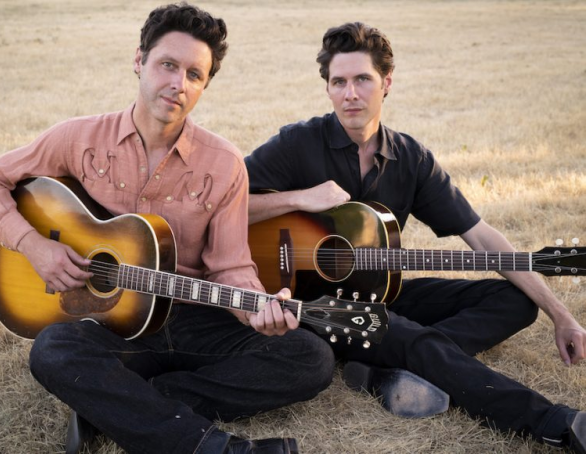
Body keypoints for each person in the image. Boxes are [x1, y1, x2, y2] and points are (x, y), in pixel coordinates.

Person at [0, 4, 335, 454]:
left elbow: (231, 267)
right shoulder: (78, 138)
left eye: (195, 75)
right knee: (53, 350)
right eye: (167, 65)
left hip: (196, 316)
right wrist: (34, 246)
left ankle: (119, 404)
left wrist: (257, 309)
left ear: (204, 86)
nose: (179, 84)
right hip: (110, 323)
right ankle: (214, 446)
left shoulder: (224, 164)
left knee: (310, 358)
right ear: (139, 61)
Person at [245, 21, 586, 451]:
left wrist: (560, 313)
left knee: (516, 300)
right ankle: (558, 423)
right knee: (416, 340)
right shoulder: (298, 143)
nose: (351, 93)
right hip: (309, 306)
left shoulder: (410, 158)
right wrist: (300, 199)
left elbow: (480, 236)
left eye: (363, 79)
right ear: (328, 88)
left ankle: (389, 363)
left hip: (381, 294)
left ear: (386, 82)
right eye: (339, 82)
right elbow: (226, 203)